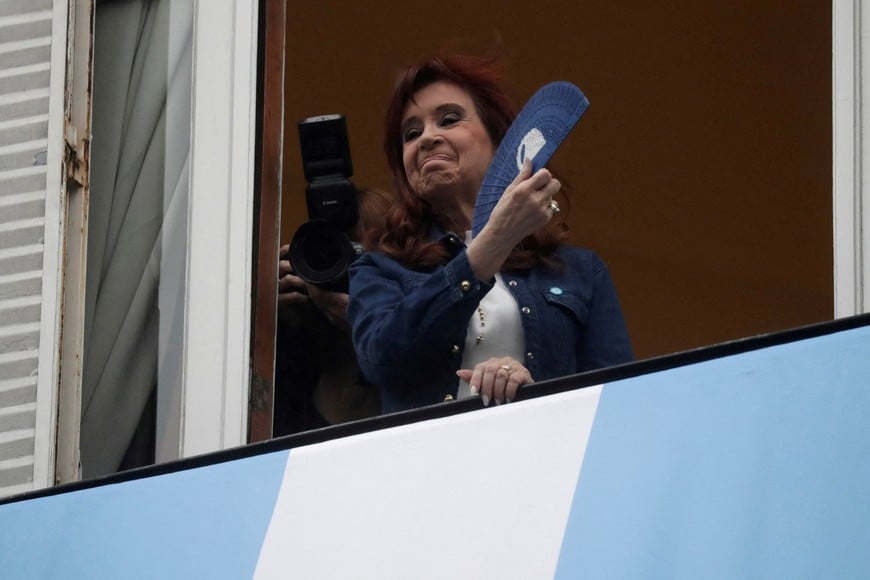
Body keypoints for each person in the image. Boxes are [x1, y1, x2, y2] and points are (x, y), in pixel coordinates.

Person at [347, 54, 634, 414]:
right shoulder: (379, 269)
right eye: (411, 134)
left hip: (544, 447)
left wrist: (534, 393)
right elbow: (382, 359)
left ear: (501, 140)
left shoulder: (579, 271)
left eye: (449, 119)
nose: (427, 138)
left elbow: (617, 402)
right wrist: (488, 249)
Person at [273, 187, 390, 435]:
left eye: (362, 255)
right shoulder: (291, 360)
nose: (351, 272)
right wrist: (271, 323)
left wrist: (368, 329)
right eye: (333, 255)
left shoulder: (415, 351)